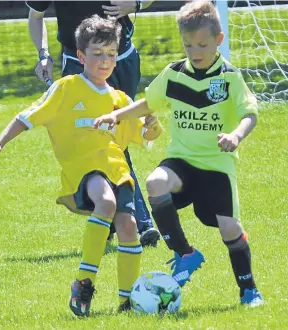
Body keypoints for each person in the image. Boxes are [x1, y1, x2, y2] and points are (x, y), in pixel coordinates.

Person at [0, 15, 162, 316]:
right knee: (105, 202)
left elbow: (143, 134)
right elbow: (27, 116)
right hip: (83, 167)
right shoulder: (67, 88)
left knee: (129, 228)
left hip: (117, 169)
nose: (105, 61)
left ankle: (127, 302)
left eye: (111, 54)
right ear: (81, 56)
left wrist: (152, 126)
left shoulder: (120, 99)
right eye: (97, 54)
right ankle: (84, 284)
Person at [94, 1, 264, 307]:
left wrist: (235, 135)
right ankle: (185, 253)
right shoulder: (174, 74)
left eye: (202, 44)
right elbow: (149, 102)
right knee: (155, 181)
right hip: (182, 162)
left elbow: (249, 113)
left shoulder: (229, 78)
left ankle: (249, 289)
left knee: (230, 228)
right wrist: (118, 115)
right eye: (188, 45)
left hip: (216, 166)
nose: (195, 51)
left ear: (218, 41)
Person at [26, 0, 160, 247]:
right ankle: (139, 222)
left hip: (123, 58)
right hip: (78, 62)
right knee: (100, 136)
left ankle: (111, 217)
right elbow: (36, 16)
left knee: (114, 135)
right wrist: (43, 55)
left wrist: (137, 4)